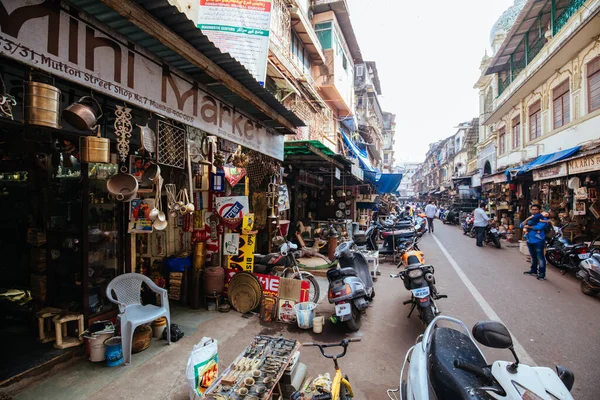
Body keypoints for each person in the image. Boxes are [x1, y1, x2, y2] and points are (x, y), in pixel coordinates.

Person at [521, 204, 547, 280]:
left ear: (539, 210)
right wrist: (527, 220)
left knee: (540, 257)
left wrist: (528, 226)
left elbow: (539, 227)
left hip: (538, 240)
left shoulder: (542, 218)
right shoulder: (530, 218)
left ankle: (542, 274)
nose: (534, 211)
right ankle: (533, 270)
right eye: (533, 209)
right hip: (530, 240)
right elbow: (521, 225)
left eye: (536, 209)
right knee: (533, 256)